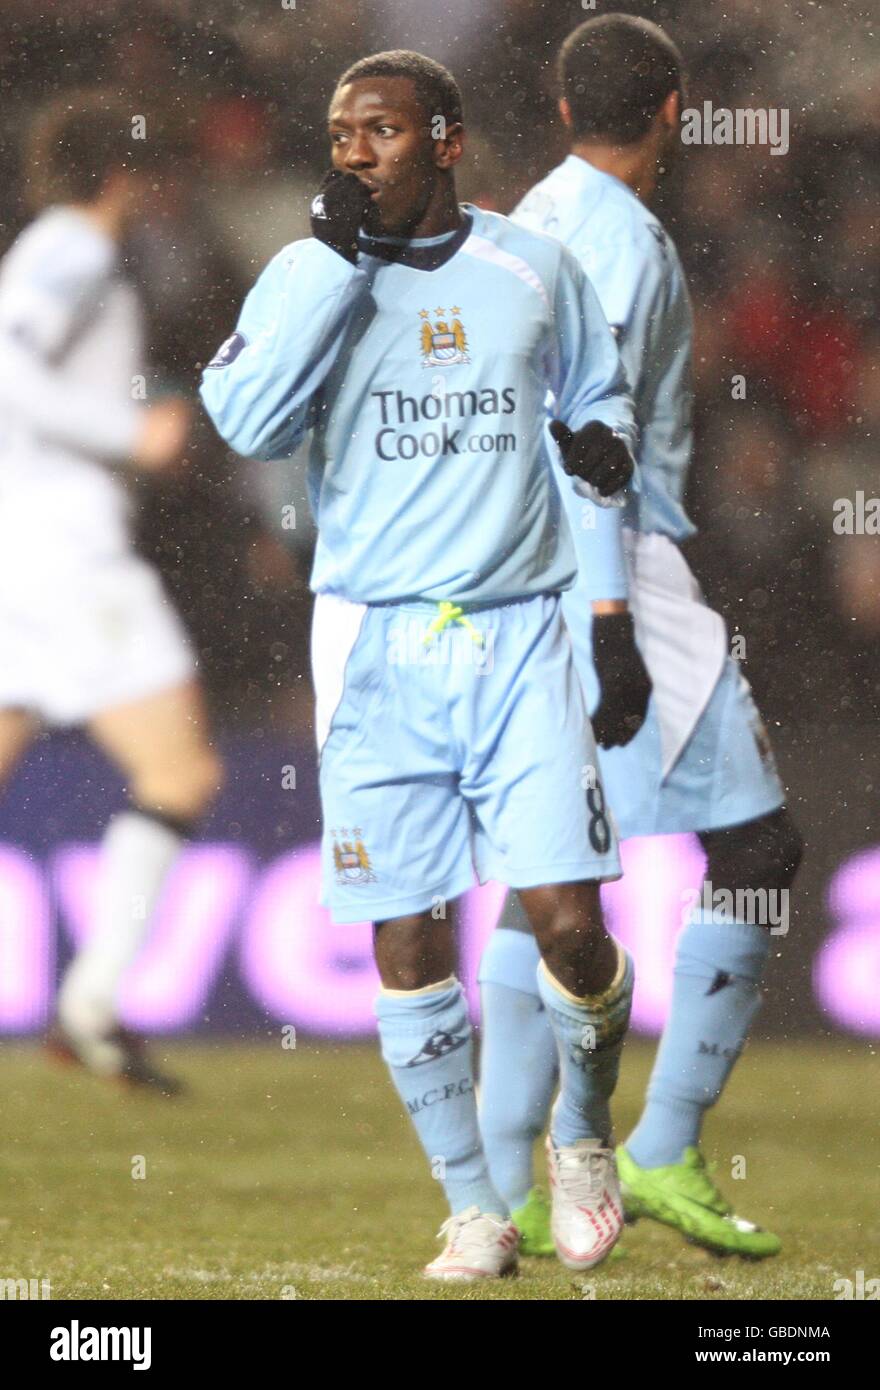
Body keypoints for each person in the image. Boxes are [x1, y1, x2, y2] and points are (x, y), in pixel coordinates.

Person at [202, 49, 639, 1280]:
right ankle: (471, 1207)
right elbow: (245, 420)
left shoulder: (530, 266)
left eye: (381, 131)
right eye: (340, 132)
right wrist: (336, 266)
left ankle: (585, 1131)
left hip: (517, 632)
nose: (354, 152)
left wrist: (601, 449)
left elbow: (600, 395)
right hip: (376, 640)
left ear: (445, 142)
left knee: (566, 924)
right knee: (405, 937)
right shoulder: (307, 272)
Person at [477, 14, 803, 1259]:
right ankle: (661, 1145)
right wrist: (612, 615)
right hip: (616, 567)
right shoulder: (611, 238)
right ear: (674, 108)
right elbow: (584, 438)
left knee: (549, 877)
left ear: (562, 113)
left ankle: (507, 1189)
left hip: (519, 566)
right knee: (762, 847)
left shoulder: (529, 215)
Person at [0, 94, 223, 1093]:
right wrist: (134, 435)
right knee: (180, 772)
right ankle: (90, 1002)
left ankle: (90, 1004)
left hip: (23, 541)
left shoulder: (48, 249)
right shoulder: (76, 256)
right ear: (124, 174)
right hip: (65, 553)